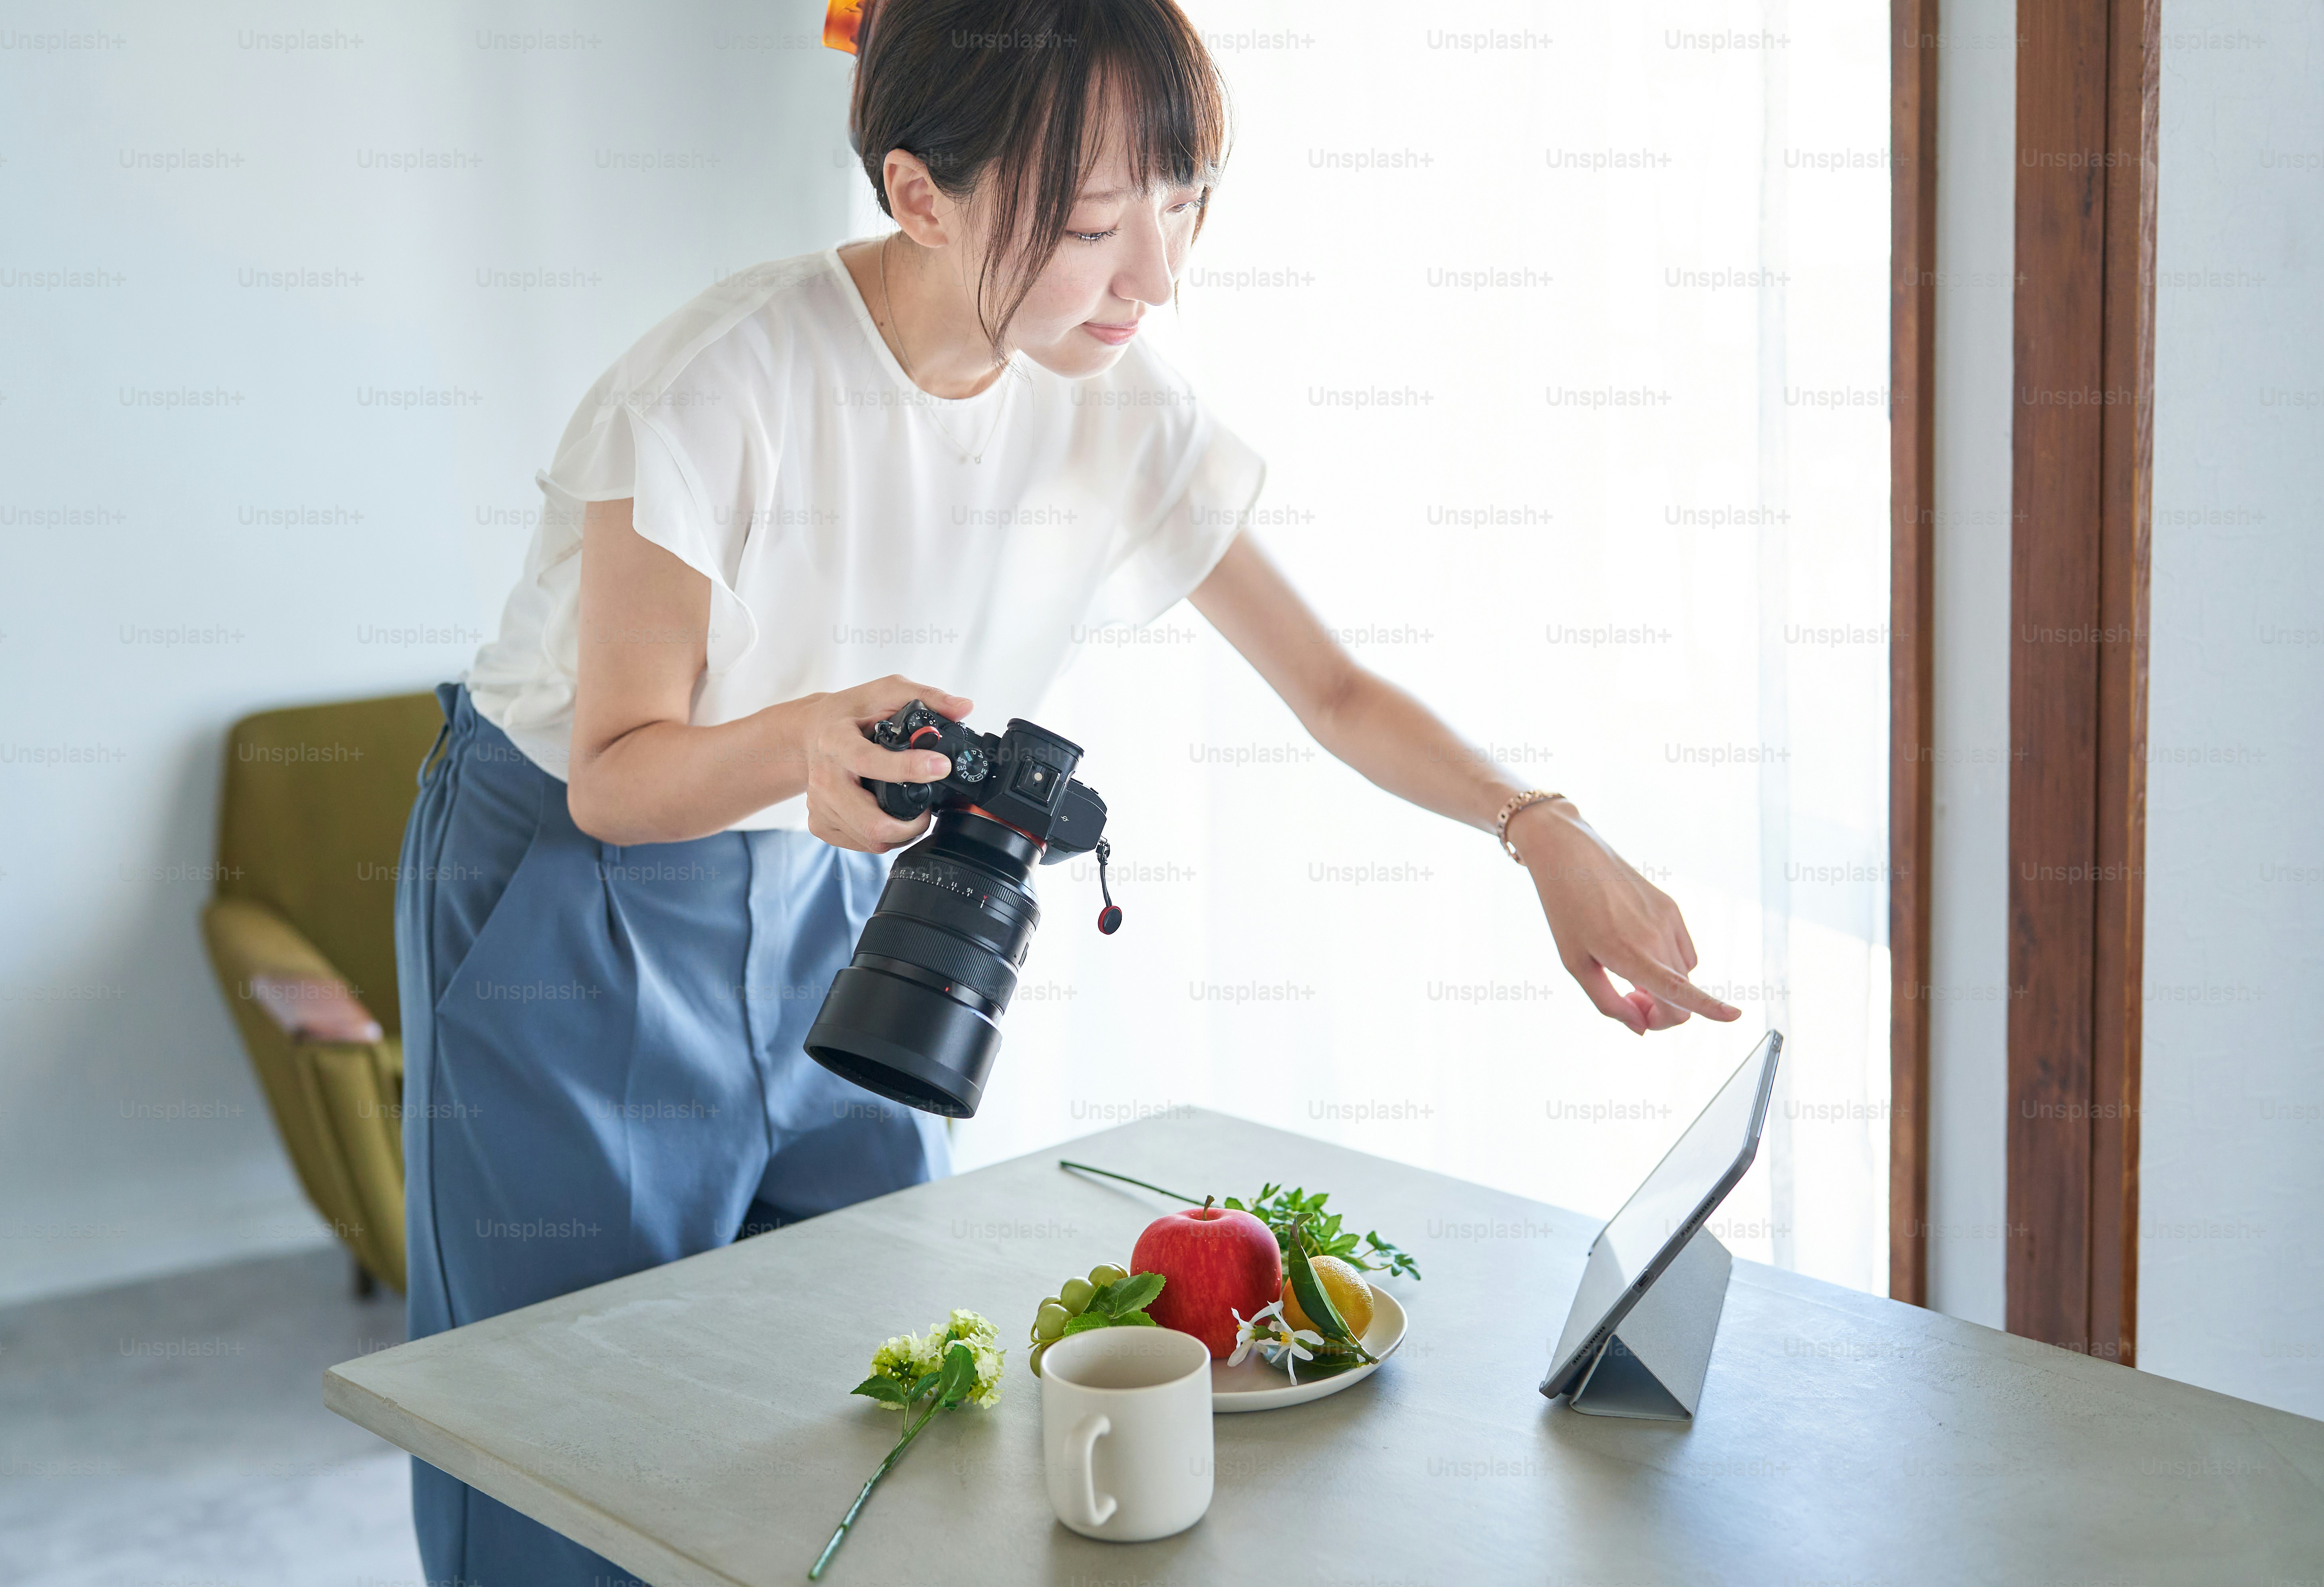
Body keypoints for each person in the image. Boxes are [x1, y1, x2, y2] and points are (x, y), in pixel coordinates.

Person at [394, 0, 1740, 1578]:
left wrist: (1539, 828)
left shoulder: (1111, 393)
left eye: (1183, 204)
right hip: (581, 887)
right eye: (1097, 222)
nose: (1154, 276)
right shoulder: (717, 382)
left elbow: (1332, 688)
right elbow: (621, 774)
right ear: (917, 193)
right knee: (569, 1418)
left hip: (847, 870)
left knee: (861, 1368)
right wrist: (797, 739)